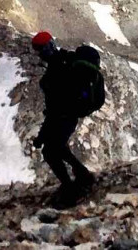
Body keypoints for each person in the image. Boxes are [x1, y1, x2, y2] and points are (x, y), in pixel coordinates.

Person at [32, 31, 104, 208]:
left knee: (51, 151)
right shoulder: (69, 60)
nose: (42, 53)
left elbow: (53, 108)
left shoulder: (53, 73)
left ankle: (71, 187)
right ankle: (82, 175)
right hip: (70, 115)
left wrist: (42, 135)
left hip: (64, 116)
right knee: (58, 148)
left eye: (41, 49)